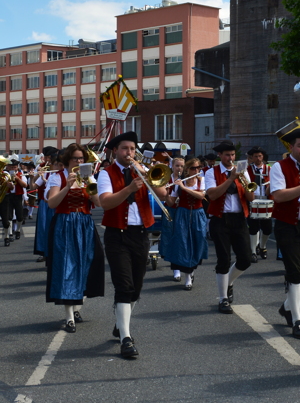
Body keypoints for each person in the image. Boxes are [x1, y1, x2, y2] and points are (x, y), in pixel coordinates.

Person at [98, 132, 168, 358]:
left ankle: (121, 323)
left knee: (136, 288)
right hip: (117, 235)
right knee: (124, 286)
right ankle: (126, 339)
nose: (129, 153)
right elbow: (105, 202)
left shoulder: (142, 170)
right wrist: (129, 188)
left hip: (140, 234)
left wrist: (149, 178)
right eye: (125, 149)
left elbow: (163, 194)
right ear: (115, 151)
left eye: (132, 149)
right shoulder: (106, 174)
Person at [46, 144, 104, 333]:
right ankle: (69, 316)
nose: (79, 162)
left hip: (85, 224)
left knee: (88, 263)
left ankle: (77, 306)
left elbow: (98, 203)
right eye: (75, 159)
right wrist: (67, 186)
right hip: (65, 224)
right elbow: (52, 203)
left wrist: (90, 186)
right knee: (67, 267)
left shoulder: (89, 177)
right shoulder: (57, 177)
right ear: (67, 160)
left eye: (81, 159)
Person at [270, 127, 300, 339]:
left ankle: (287, 307)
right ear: (290, 146)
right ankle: (297, 320)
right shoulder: (279, 167)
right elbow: (279, 196)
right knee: (295, 273)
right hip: (287, 224)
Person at [204, 140, 256, 314]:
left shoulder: (243, 171)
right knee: (223, 259)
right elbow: (212, 195)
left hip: (239, 219)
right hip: (220, 219)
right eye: (227, 155)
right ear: (220, 156)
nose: (231, 158)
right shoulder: (212, 172)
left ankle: (229, 282)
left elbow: (251, 198)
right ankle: (223, 299)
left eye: (233, 155)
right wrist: (231, 179)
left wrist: (246, 184)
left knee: (245, 259)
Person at [161, 155, 207, 290]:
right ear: (188, 169)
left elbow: (201, 196)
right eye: (194, 168)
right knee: (183, 243)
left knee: (198, 240)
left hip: (198, 214)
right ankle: (187, 276)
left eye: (199, 167)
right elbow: (170, 202)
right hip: (182, 214)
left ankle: (191, 271)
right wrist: (166, 192)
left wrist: (184, 188)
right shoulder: (179, 182)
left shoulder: (201, 180)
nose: (197, 170)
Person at [33, 148, 61, 263]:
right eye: (48, 157)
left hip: (57, 203)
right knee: (44, 228)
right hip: (44, 202)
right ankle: (45, 252)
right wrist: (34, 175)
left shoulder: (59, 172)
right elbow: (33, 185)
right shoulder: (43, 167)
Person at [246, 146, 272, 262]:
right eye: (255, 156)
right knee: (253, 227)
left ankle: (262, 246)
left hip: (266, 199)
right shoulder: (247, 169)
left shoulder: (269, 169)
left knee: (267, 228)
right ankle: (252, 251)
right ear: (252, 158)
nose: (258, 158)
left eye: (260, 156)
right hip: (253, 199)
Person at [4, 160, 27, 241]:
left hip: (18, 196)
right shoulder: (4, 175)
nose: (12, 168)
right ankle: (10, 233)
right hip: (8, 196)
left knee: (20, 216)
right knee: (9, 215)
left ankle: (18, 230)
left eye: (14, 167)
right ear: (7, 167)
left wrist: (17, 179)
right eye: (11, 167)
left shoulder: (21, 174)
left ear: (17, 167)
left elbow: (25, 185)